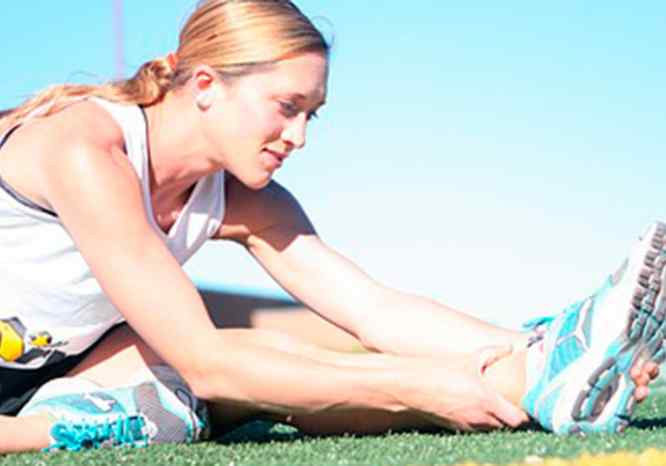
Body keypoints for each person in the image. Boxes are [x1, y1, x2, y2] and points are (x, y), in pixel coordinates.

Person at [0, 0, 662, 453]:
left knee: (271, 370)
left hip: (41, 372)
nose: (299, 136)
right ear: (205, 83)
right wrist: (409, 383)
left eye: (312, 115)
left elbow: (374, 310)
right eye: (287, 108)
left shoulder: (244, 199)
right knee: (221, 379)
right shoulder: (86, 149)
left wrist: (537, 352)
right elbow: (207, 363)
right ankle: (71, 428)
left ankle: (548, 374)